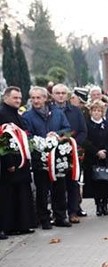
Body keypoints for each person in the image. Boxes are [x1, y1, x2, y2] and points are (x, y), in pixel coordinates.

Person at [22, 86, 72, 228]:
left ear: (45, 98)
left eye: (38, 97)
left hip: (58, 158)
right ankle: (44, 218)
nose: (36, 101)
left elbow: (68, 130)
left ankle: (60, 216)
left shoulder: (57, 113)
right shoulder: (27, 116)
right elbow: (27, 135)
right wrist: (42, 140)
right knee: (42, 190)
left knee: (60, 188)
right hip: (40, 159)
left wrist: (57, 135)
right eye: (33, 98)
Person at [0, 86, 37, 235]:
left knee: (21, 194)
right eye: (15, 98)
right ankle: (5, 227)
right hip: (9, 164)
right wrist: (8, 162)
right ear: (6, 98)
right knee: (7, 196)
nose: (18, 101)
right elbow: (2, 139)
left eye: (20, 98)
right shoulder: (2, 114)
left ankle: (21, 225)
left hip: (21, 163)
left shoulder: (18, 116)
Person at [51, 83, 88, 222]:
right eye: (57, 93)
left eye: (63, 93)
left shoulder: (75, 111)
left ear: (67, 95)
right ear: (53, 95)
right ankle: (58, 214)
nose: (60, 95)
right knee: (57, 184)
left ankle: (73, 211)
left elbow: (83, 130)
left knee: (73, 182)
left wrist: (74, 145)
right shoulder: (49, 111)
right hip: (55, 153)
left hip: (73, 152)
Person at [82, 100, 108, 216]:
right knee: (95, 182)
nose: (96, 113)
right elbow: (85, 141)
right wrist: (96, 151)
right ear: (91, 112)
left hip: (106, 158)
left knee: (106, 181)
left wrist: (105, 151)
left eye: (99, 111)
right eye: (94, 111)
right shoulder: (86, 125)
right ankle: (98, 204)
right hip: (92, 158)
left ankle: (105, 203)